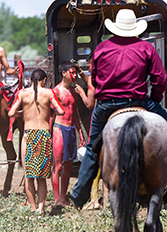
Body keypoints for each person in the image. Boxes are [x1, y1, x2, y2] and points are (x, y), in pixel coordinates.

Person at [71, 9, 167, 209]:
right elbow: (160, 79)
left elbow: (95, 80)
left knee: (92, 147)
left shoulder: (101, 48)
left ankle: (79, 194)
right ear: (135, 29)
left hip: (106, 105)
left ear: (115, 28)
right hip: (139, 101)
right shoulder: (146, 48)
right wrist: (154, 100)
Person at [8, 68, 65, 213]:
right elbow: (61, 111)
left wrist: (24, 113)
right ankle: (41, 209)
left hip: (29, 135)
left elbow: (11, 113)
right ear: (44, 80)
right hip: (44, 135)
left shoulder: (22, 94)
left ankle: (33, 208)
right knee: (41, 177)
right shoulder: (48, 93)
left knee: (29, 176)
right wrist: (49, 111)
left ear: (30, 80)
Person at [75, 54, 109, 209]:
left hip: (100, 120)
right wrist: (81, 72)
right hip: (112, 117)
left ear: (91, 64)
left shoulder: (93, 80)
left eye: (88, 66)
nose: (88, 70)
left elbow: (89, 104)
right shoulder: (108, 75)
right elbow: (88, 79)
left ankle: (92, 198)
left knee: (93, 154)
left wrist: (81, 93)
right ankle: (108, 198)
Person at [52, 61, 85, 206]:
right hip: (59, 128)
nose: (74, 75)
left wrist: (80, 131)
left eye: (75, 73)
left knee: (69, 165)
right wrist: (48, 133)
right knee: (58, 166)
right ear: (63, 73)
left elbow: (75, 114)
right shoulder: (56, 91)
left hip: (71, 130)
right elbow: (50, 114)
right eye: (72, 72)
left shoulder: (73, 91)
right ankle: (57, 198)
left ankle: (64, 197)